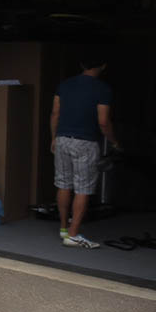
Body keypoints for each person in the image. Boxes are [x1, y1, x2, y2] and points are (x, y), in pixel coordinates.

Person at [51, 57, 118, 249]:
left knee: (63, 183)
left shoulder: (65, 85)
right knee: (83, 188)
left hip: (63, 139)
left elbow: (55, 113)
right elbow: (103, 121)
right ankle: (73, 234)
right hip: (86, 142)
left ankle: (64, 228)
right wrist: (115, 141)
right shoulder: (102, 89)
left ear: (81, 64)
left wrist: (54, 137)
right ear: (103, 65)